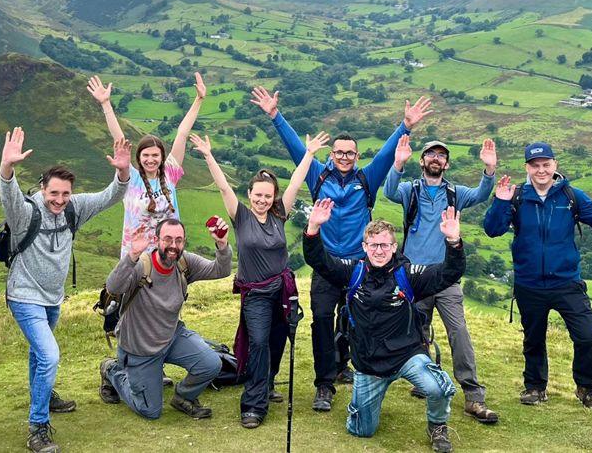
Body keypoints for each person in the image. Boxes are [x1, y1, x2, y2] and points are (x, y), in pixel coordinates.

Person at [250, 85, 433, 412]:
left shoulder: (367, 179)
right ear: (331, 154)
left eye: (350, 152)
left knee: (354, 320)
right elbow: (296, 150)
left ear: (356, 156)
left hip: (362, 268)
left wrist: (405, 125)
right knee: (321, 319)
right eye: (339, 152)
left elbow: (387, 155)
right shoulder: (318, 176)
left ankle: (345, 366)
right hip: (326, 265)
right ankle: (324, 384)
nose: (345, 157)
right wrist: (275, 116)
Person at [0, 127, 130, 453]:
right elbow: (9, 195)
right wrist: (7, 168)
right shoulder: (26, 211)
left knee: (38, 355)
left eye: (65, 194)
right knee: (50, 354)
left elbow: (110, 196)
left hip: (52, 299)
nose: (59, 200)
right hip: (24, 295)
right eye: (53, 193)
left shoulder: (74, 208)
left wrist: (124, 173)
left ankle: (45, 395)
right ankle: (38, 428)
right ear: (42, 189)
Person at [190, 130, 330, 428]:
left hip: (282, 289)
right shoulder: (240, 216)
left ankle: (267, 383)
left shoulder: (280, 213)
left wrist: (309, 154)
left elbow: (295, 182)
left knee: (278, 339)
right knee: (258, 343)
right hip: (255, 294)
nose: (262, 200)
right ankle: (253, 405)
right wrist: (208, 155)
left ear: (273, 197)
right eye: (258, 195)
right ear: (250, 194)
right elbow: (224, 187)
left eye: (268, 195)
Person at [303, 201, 466, 453]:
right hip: (369, 363)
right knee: (361, 431)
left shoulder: (408, 274)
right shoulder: (353, 272)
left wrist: (454, 242)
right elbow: (319, 260)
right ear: (364, 247)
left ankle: (437, 426)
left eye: (385, 245)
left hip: (407, 355)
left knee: (439, 387)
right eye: (374, 245)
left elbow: (448, 273)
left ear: (394, 247)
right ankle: (365, 403)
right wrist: (313, 227)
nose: (379, 250)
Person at [483, 142, 592, 410]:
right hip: (529, 283)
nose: (541, 170)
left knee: (587, 337)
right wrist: (501, 202)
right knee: (534, 339)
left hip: (566, 282)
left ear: (555, 165)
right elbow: (492, 230)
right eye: (535, 165)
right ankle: (535, 388)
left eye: (546, 165)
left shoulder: (571, 196)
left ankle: (587, 388)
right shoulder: (517, 196)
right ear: (527, 168)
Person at [384, 137, 499, 424]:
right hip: (414, 277)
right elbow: (388, 191)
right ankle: (425, 381)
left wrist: (489, 170)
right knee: (415, 333)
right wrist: (398, 163)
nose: (436, 159)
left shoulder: (455, 193)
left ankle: (473, 395)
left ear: (446, 164)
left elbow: (482, 195)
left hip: (446, 277)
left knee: (458, 333)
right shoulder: (410, 190)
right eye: (431, 155)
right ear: (422, 161)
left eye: (441, 156)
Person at [99, 217, 233, 420]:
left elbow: (220, 270)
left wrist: (222, 244)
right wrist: (132, 255)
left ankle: (183, 397)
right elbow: (113, 287)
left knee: (211, 363)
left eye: (179, 240)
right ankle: (112, 370)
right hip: (140, 348)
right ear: (156, 240)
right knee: (150, 410)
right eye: (167, 239)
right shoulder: (141, 267)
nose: (173, 245)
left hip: (172, 336)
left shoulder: (184, 263)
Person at [86, 72, 206, 256]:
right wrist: (105, 103)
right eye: (146, 155)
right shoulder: (131, 178)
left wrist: (199, 99)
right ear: (139, 157)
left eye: (155, 155)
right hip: (135, 257)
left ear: (162, 157)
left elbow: (182, 133)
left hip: (168, 255)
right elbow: (119, 138)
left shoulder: (170, 175)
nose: (150, 160)